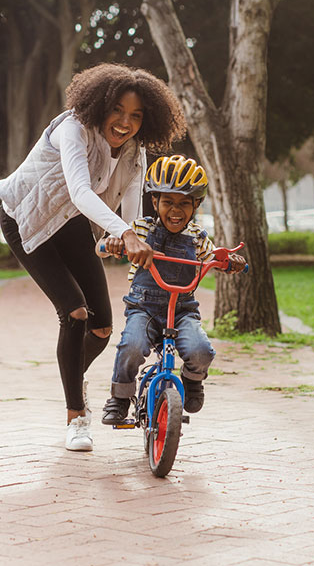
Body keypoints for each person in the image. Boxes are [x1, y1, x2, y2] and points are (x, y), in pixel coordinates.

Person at [0, 63, 186, 452]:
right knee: (75, 313)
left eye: (136, 116)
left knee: (101, 328)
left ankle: (72, 376)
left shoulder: (135, 151)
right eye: (117, 110)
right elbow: (81, 192)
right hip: (26, 220)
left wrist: (133, 235)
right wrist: (125, 233)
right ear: (100, 104)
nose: (124, 122)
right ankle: (76, 417)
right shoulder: (72, 129)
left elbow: (133, 204)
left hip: (71, 226)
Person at [95, 155, 247, 425]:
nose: (175, 210)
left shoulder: (198, 237)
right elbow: (102, 247)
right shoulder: (140, 229)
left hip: (182, 310)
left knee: (202, 350)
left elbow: (215, 256)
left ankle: (192, 380)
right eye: (167, 202)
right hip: (145, 309)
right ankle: (119, 397)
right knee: (131, 346)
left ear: (196, 205)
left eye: (184, 203)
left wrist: (229, 262)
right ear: (155, 202)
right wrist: (113, 244)